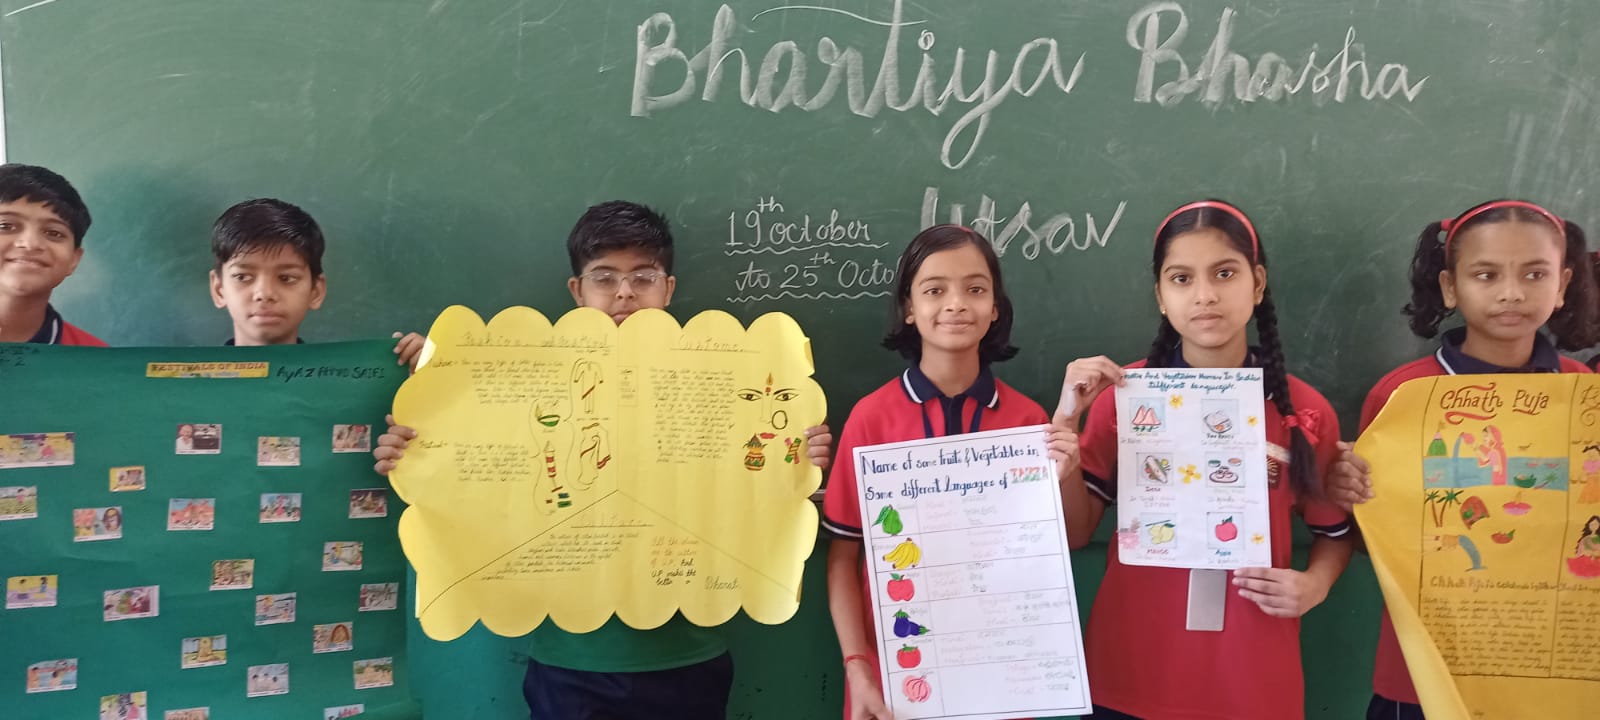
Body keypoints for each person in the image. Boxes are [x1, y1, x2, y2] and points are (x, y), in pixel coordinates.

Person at [373, 201, 834, 719]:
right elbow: (472, 466)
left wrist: (800, 460)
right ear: (577, 291)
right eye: (605, 277)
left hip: (687, 652)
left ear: (668, 289)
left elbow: (758, 481)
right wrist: (421, 437)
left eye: (643, 278)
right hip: (570, 659)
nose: (624, 293)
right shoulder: (525, 380)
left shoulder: (723, 381)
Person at [1059, 200, 1354, 719]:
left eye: (1224, 273)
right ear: (1160, 296)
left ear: (1257, 284)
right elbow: (1077, 531)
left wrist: (1315, 584)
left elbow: (1334, 532)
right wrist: (1066, 429)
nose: (1205, 295)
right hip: (1132, 669)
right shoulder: (1123, 399)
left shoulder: (1302, 412)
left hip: (1251, 679)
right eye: (1181, 278)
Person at [1326, 200, 1599, 719]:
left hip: (1550, 670)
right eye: (1486, 275)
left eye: (1535, 274)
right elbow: (1370, 539)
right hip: (1424, 672)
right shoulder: (1402, 396)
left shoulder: (1584, 393)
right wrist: (1349, 494)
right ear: (1450, 287)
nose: (1512, 292)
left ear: (1563, 284)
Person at [821, 224, 1076, 719]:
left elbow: (1047, 552)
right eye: (935, 290)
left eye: (975, 289)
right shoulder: (872, 419)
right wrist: (858, 668)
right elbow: (842, 561)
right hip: (896, 678)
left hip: (1003, 678)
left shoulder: (1027, 422)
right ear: (909, 308)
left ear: (995, 306)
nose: (956, 304)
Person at [0, 163, 103, 345]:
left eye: (54, 233)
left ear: (74, 260)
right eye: (5, 226)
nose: (30, 244)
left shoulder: (93, 355)